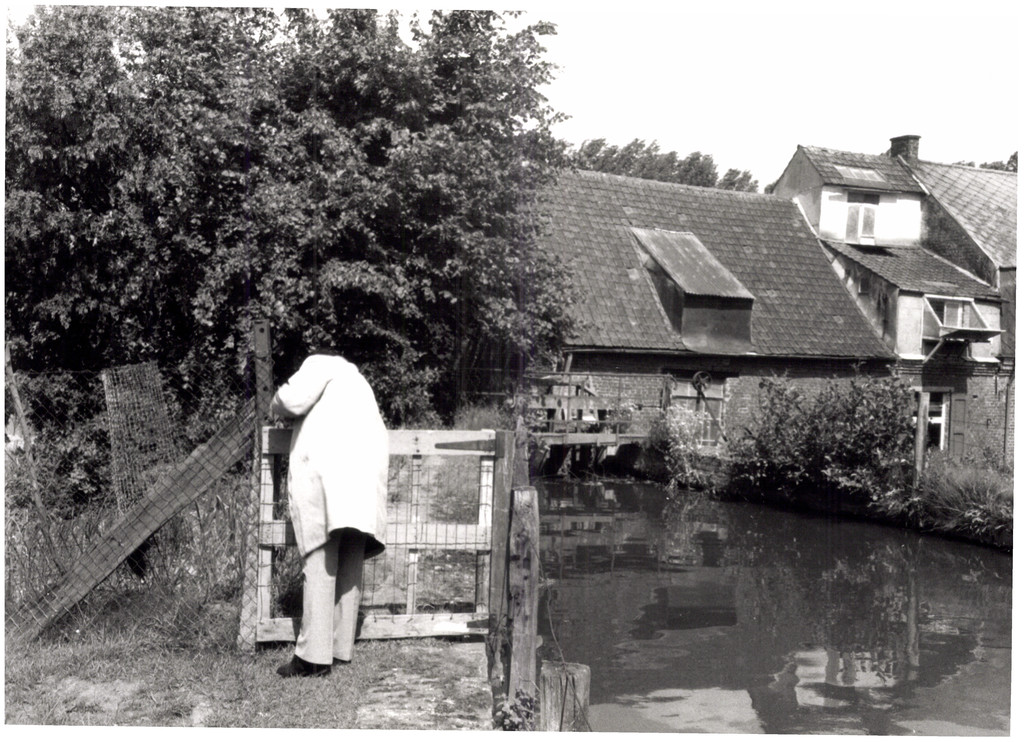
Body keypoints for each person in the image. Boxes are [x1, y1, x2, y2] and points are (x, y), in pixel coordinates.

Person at [270, 349, 389, 678]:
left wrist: (273, 404)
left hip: (332, 477)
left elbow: (291, 400)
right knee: (350, 555)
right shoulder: (359, 381)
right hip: (364, 474)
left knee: (320, 557)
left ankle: (312, 658)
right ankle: (339, 648)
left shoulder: (318, 365)